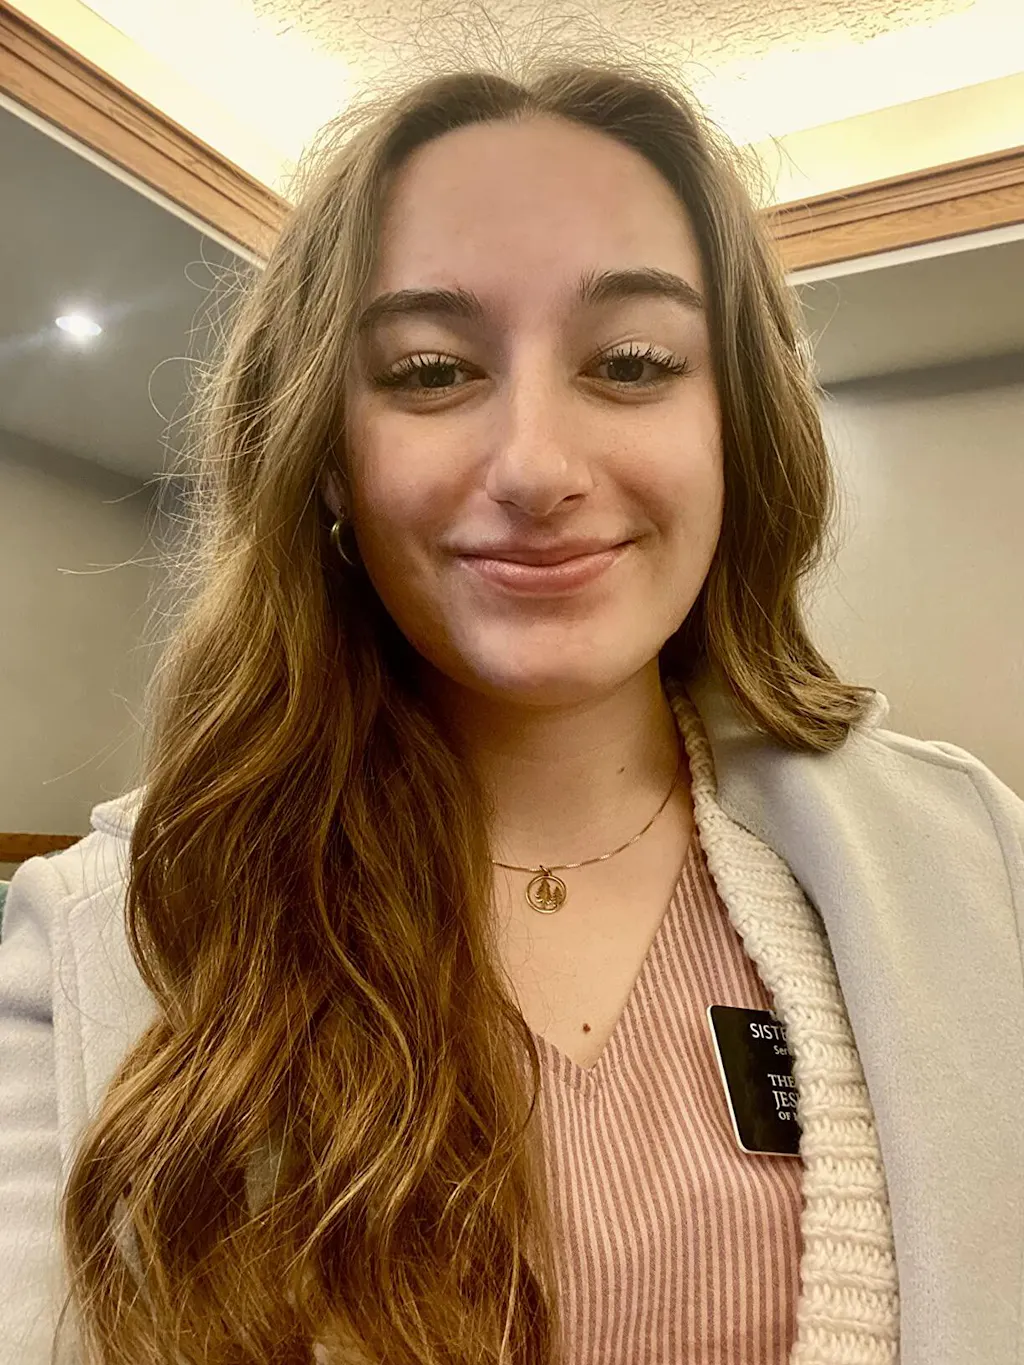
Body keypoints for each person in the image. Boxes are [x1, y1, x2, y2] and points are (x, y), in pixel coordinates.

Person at [1, 48, 1022, 1365]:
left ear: (738, 430)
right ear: (327, 459)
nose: (536, 467)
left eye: (634, 362)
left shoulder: (978, 873)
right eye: (431, 372)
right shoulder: (88, 950)